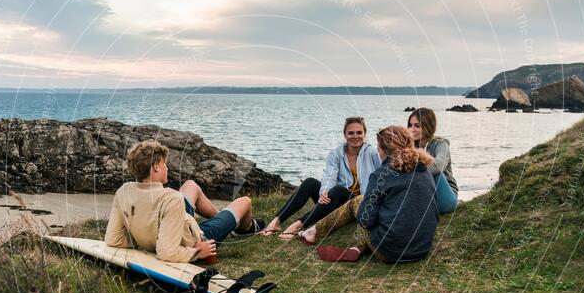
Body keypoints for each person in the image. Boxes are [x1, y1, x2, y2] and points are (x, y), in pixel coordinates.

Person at [104, 140, 263, 263]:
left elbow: (113, 239)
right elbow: (167, 252)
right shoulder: (171, 198)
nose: (167, 168)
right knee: (245, 201)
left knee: (190, 185)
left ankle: (221, 220)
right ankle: (242, 228)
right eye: (164, 164)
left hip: (174, 224)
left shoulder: (124, 191)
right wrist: (196, 252)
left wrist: (143, 239)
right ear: (156, 167)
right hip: (195, 239)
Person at [298, 125, 439, 264]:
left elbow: (365, 221)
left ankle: (312, 232)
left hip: (389, 252)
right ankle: (358, 248)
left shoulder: (381, 176)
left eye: (378, 146)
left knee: (359, 201)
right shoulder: (424, 171)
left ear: (383, 150)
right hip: (421, 250)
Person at [259, 116, 381, 239]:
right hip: (335, 201)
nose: (355, 136)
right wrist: (324, 193)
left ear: (365, 134)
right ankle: (277, 221)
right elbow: (329, 176)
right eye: (351, 133)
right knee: (310, 183)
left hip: (358, 203)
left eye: (359, 132)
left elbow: (381, 177)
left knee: (338, 190)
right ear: (345, 135)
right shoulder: (336, 154)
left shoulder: (371, 153)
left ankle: (298, 225)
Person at [407, 108, 458, 214]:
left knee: (433, 169)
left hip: (445, 197)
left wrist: (411, 170)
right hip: (424, 198)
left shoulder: (441, 144)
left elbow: (438, 166)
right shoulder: (409, 147)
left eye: (417, 126)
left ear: (428, 126)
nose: (412, 129)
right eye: (410, 125)